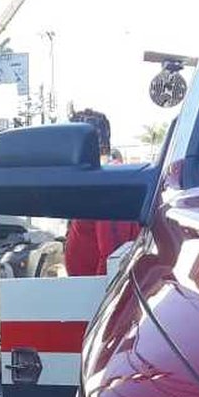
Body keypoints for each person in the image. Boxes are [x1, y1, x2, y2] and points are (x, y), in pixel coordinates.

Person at [64, 110, 141, 276]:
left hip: (95, 294)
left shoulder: (108, 185)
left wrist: (99, 300)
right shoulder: (99, 180)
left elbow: (113, 261)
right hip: (86, 290)